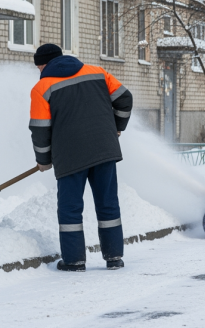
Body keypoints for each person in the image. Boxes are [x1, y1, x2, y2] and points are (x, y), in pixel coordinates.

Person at [29, 44, 133, 272]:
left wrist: (43, 159)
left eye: (38, 67)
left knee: (70, 208)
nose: (39, 71)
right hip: (105, 149)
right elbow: (125, 98)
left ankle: (74, 260)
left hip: (70, 156)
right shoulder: (98, 72)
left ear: (44, 65)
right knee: (108, 202)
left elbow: (40, 128)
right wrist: (117, 127)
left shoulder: (41, 88)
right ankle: (114, 257)